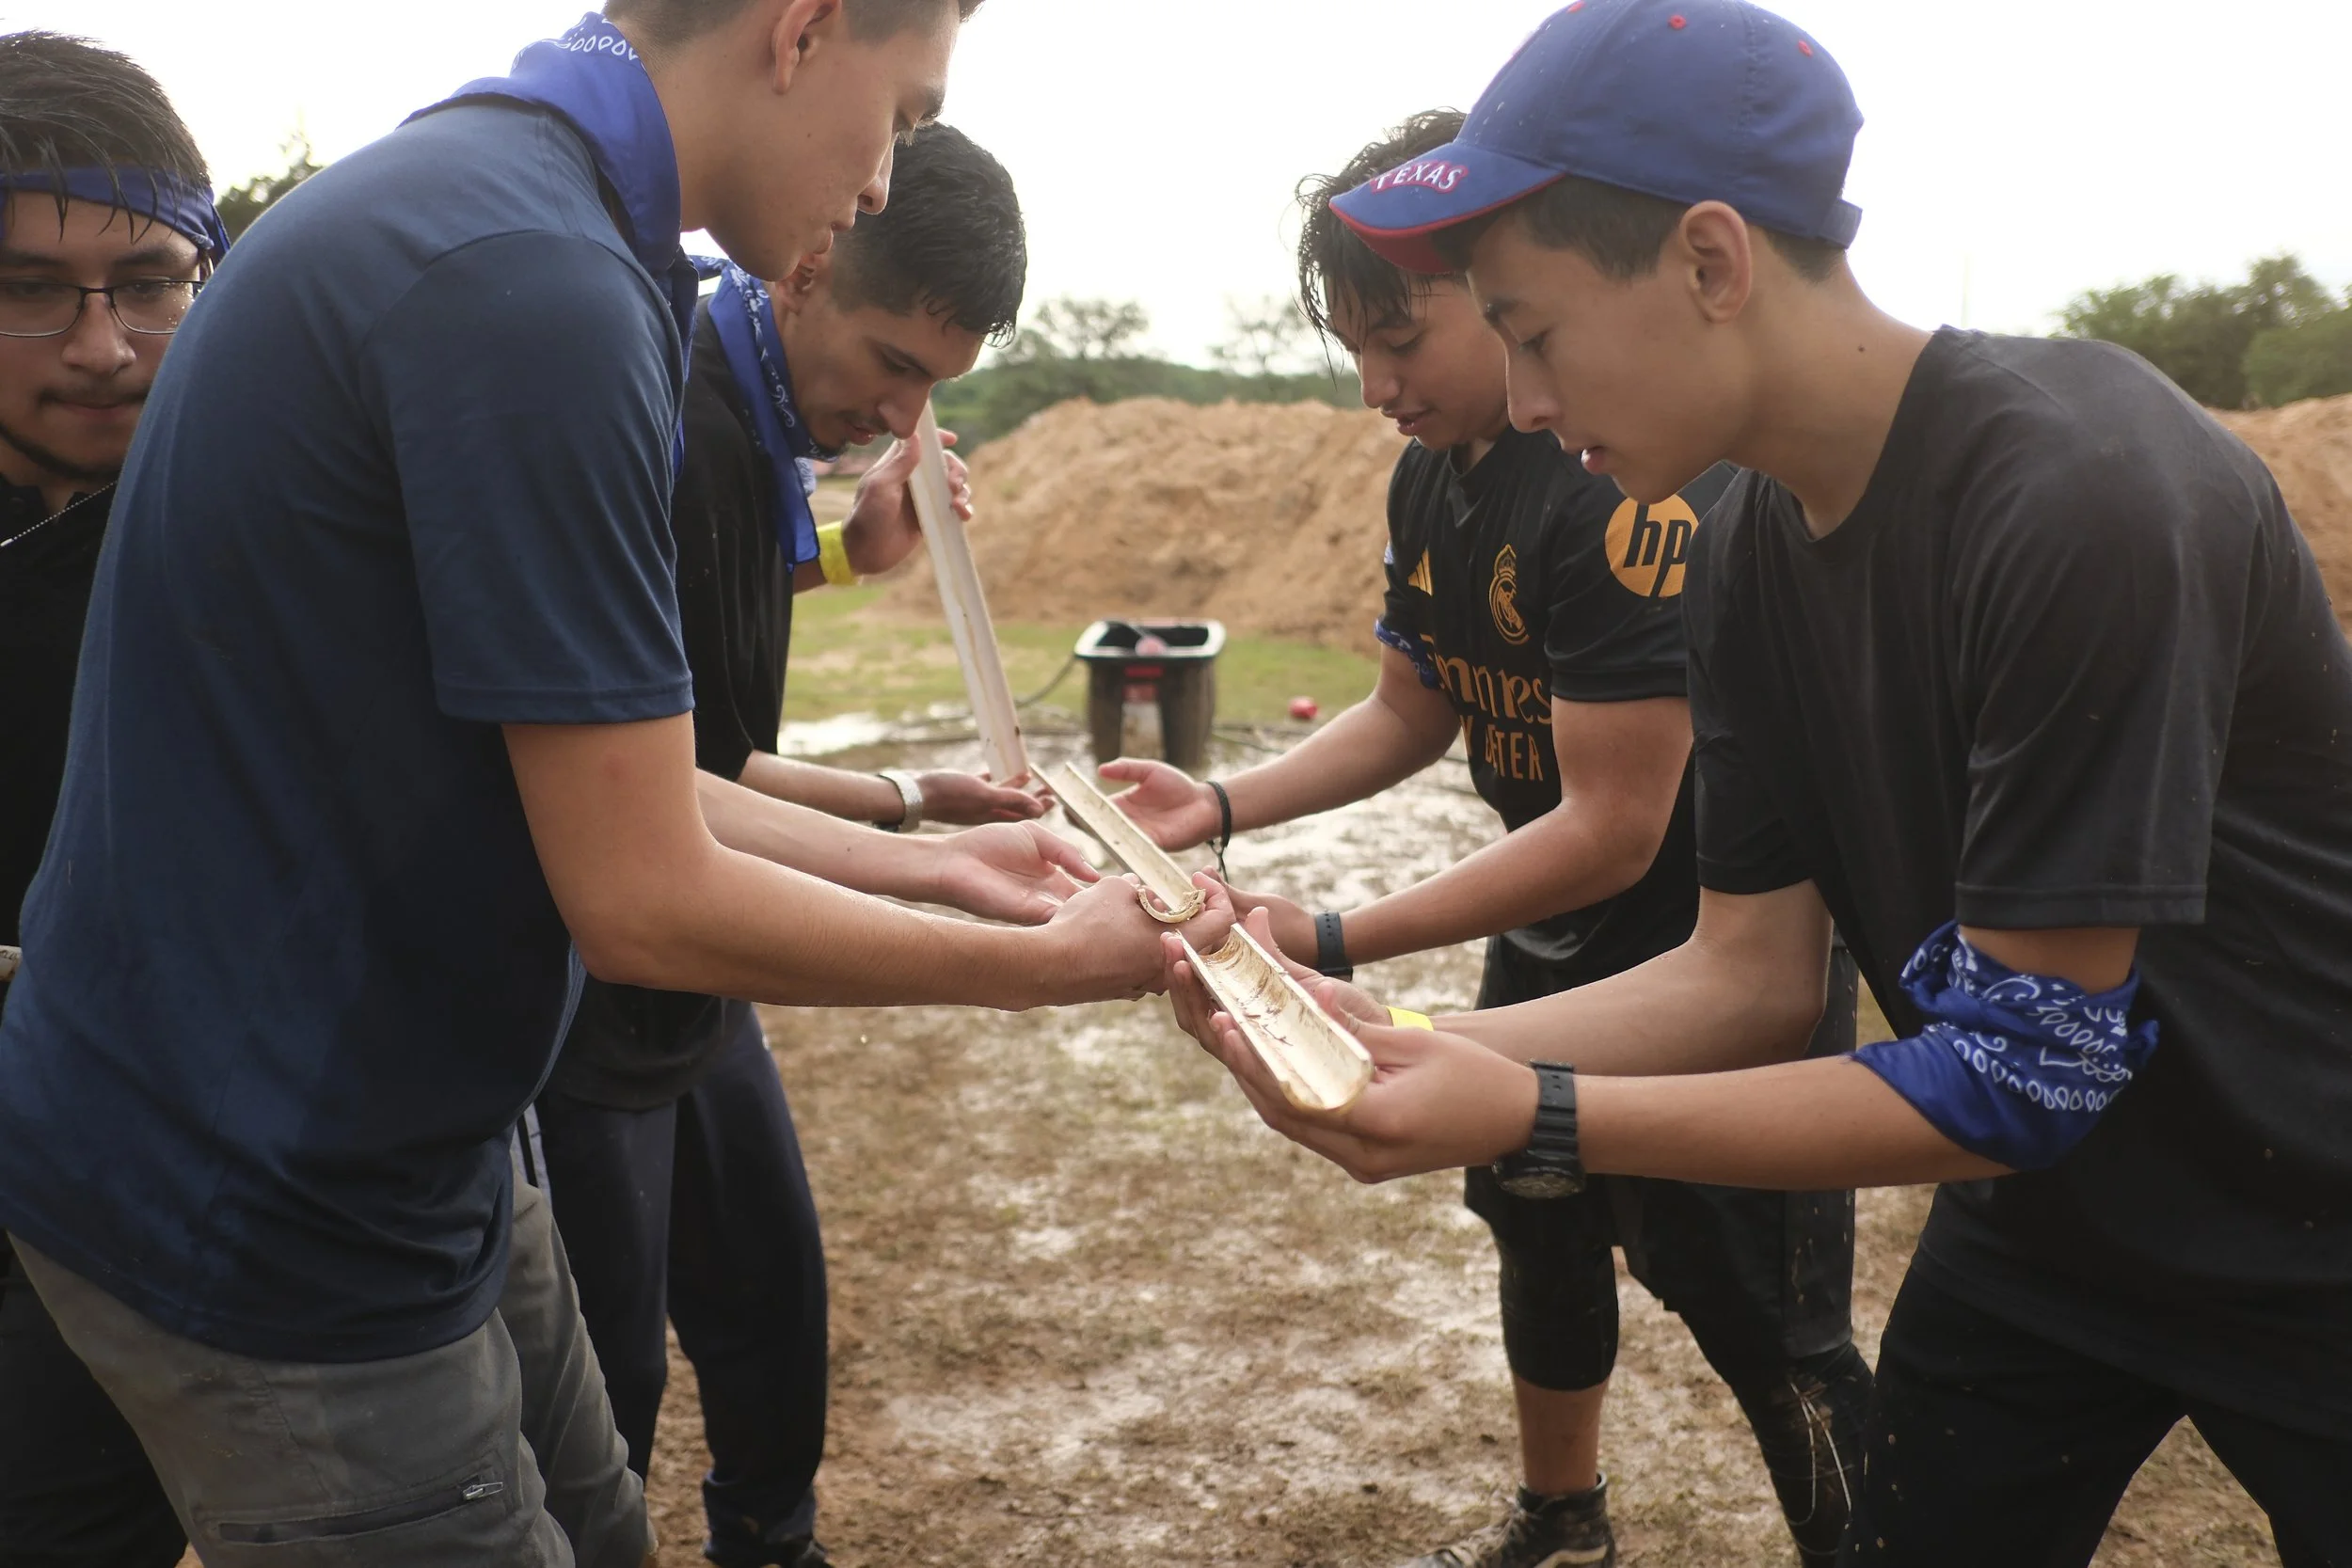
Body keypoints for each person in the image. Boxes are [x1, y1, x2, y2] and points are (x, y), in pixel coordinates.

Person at [0, 2, 1225, 1565]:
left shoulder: (528, 216)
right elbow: (642, 898)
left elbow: (614, 771)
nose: (881, 179)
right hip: (276, 1191)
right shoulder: (537, 285)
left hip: (414, 1129)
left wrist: (934, 859)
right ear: (803, 29)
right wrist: (1039, 965)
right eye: (906, 114)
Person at [1167, 1, 2352, 1561]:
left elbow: (2027, 1065)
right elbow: (1748, 976)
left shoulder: (2083, 494)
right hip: (2045, 1237)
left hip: (2314, 1221)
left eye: (1534, 333)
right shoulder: (1736, 548)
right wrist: (1404, 1045)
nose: (1527, 402)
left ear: (1711, 262)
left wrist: (1533, 1106)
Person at [1106, 107, 1864, 1568]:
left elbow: (1615, 828)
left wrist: (1333, 936)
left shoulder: (1612, 480)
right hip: (1546, 939)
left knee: (1768, 1325)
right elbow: (1412, 705)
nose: (1379, 387)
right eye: (1355, 351)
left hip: (1704, 955)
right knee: (1540, 1223)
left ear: (1504, 289)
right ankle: (1563, 1519)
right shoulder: (1428, 477)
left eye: (1404, 340)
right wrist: (1218, 804)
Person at [535, 119, 1033, 1568]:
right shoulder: (680, 411)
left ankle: (771, 1537)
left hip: (699, 977)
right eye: (893, 362)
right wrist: (919, 816)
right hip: (590, 991)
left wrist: (853, 553)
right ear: (807, 271)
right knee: (607, 1375)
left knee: (768, 1297)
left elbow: (707, 643)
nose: (903, 411)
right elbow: (689, 772)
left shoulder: (756, 410)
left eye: (934, 385)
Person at [0, 31, 218, 1568]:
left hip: (210, 1219)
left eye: (146, 283)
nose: (99, 347)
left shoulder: (271, 521)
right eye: (27, 290)